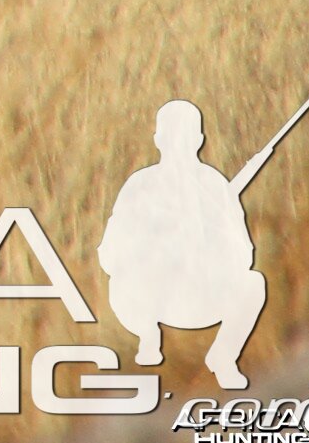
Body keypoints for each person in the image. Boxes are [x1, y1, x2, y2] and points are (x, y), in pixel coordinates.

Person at [103, 98, 269, 389]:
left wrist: (212, 234)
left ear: (198, 140)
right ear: (159, 140)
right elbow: (110, 254)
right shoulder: (140, 186)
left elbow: (244, 254)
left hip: (202, 296)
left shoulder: (216, 187)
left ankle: (224, 356)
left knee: (253, 284)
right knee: (123, 280)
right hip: (150, 299)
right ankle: (148, 337)